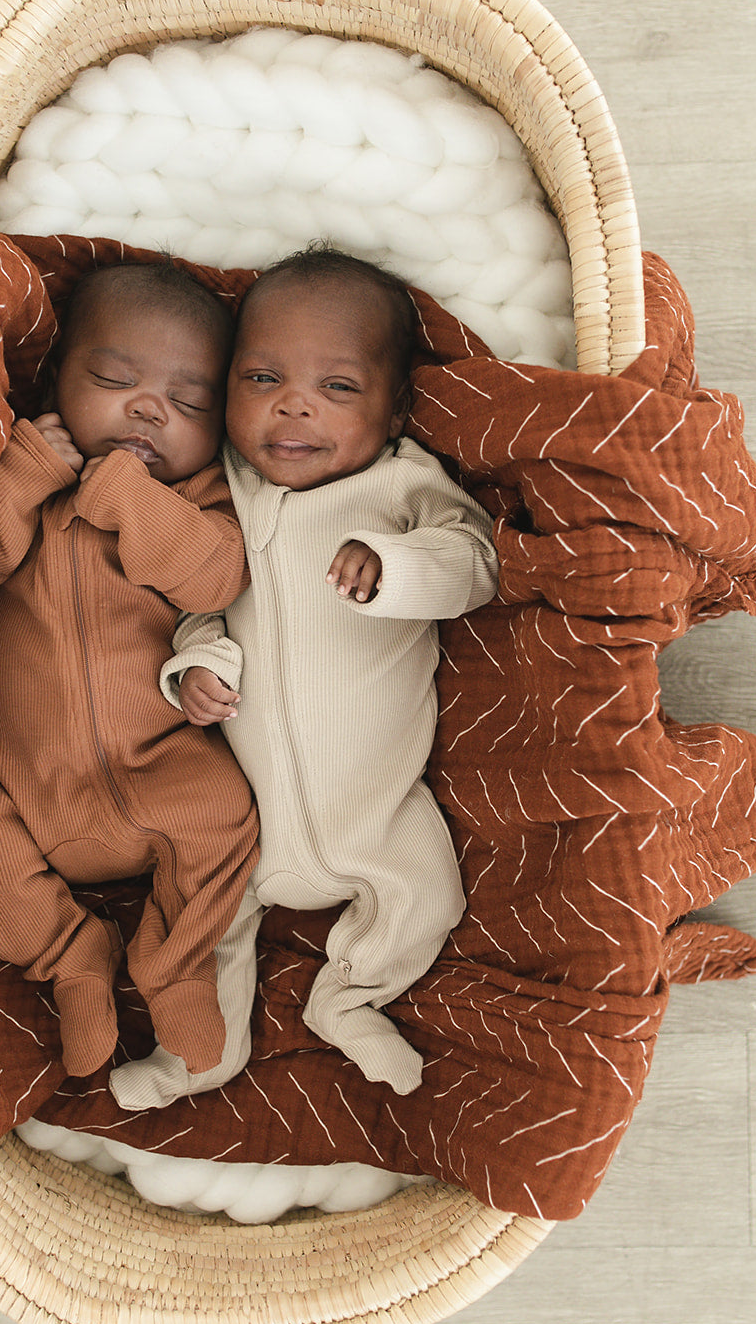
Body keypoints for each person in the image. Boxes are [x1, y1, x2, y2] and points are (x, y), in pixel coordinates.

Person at [110, 246, 497, 1110]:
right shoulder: (221, 495)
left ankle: (348, 996)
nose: (293, 403)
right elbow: (192, 601)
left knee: (425, 896)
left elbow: (476, 562)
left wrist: (397, 567)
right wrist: (195, 666)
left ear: (394, 407)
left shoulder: (401, 485)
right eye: (262, 377)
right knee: (195, 921)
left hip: (378, 805)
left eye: (338, 387)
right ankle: (197, 1057)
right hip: (239, 821)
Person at [0, 261, 259, 1088]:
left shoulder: (197, 498)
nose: (151, 408)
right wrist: (21, 474)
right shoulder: (23, 480)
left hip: (159, 764)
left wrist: (130, 498)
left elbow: (215, 578)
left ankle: (175, 966)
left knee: (227, 819)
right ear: (58, 378)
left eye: (189, 403)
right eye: (116, 379)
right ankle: (73, 959)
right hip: (26, 783)